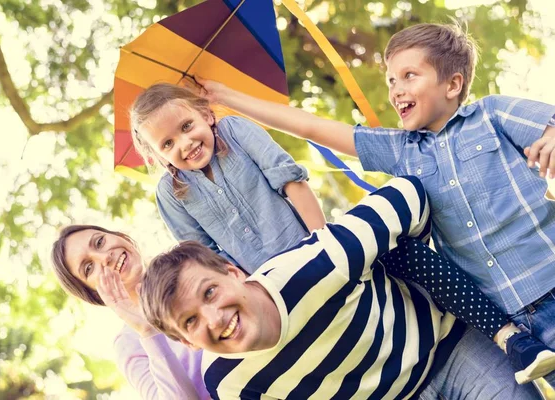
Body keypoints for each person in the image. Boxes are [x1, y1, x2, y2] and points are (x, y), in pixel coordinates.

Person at [192, 22, 555, 385]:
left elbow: (550, 124)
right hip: (511, 323)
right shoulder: (401, 150)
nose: (396, 91)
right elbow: (311, 127)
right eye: (391, 82)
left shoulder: (492, 116)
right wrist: (226, 98)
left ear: (453, 84)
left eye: (408, 76)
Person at [139, 176, 539, 399]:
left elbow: (409, 194)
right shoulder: (228, 382)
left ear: (233, 272)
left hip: (446, 350)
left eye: (209, 292)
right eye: (190, 321)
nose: (214, 318)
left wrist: (400, 258)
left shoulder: (320, 263)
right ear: (186, 342)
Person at [129, 83, 326, 273]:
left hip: (310, 250)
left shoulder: (234, 131)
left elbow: (289, 178)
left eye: (187, 126)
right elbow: (204, 258)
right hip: (266, 288)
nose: (185, 144)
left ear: (205, 115)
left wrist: (325, 241)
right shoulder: (169, 194)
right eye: (168, 144)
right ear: (158, 157)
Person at [51, 225, 207, 399]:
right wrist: (149, 332)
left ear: (120, 236)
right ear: (94, 293)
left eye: (100, 241)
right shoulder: (128, 345)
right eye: (88, 268)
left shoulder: (189, 264)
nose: (105, 258)